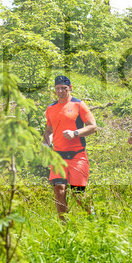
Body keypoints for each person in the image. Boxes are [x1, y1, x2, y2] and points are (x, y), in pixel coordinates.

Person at [43, 75, 98, 219]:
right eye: (58, 88)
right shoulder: (51, 108)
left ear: (70, 88)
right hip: (58, 156)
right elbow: (48, 130)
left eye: (64, 88)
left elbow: (93, 127)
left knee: (78, 194)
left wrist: (75, 133)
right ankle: (64, 226)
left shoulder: (79, 105)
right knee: (59, 191)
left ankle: (94, 219)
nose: (60, 91)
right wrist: (45, 145)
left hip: (77, 155)